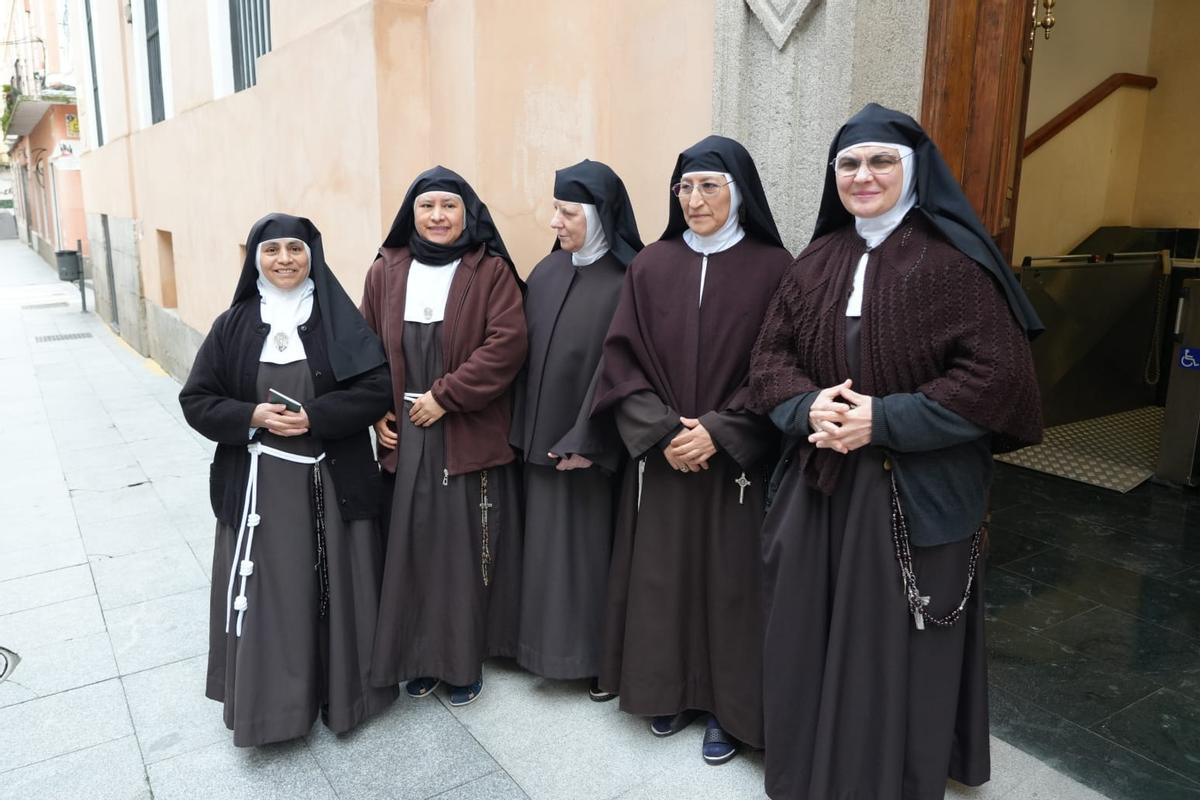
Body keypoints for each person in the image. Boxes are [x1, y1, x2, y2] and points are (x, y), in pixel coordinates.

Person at [749, 103, 1044, 799]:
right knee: (810, 632)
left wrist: (884, 419)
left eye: (882, 160)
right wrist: (807, 406)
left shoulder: (953, 262)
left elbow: (995, 377)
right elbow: (769, 359)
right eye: (849, 163)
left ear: (914, 170)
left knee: (895, 647)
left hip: (914, 494)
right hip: (822, 482)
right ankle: (813, 769)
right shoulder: (817, 260)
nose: (863, 175)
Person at [590, 136, 791, 764]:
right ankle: (666, 689)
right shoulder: (652, 264)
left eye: (710, 185)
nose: (695, 198)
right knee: (663, 577)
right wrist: (662, 432)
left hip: (736, 463)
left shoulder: (775, 267)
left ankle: (728, 712)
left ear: (740, 193)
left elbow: (782, 364)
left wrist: (723, 431)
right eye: (685, 187)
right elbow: (620, 360)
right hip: (666, 458)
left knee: (734, 585)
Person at [180, 213, 397, 747]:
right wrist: (251, 416)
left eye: (295, 249)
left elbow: (377, 388)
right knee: (273, 592)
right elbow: (196, 400)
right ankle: (272, 710)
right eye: (272, 249)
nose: (284, 259)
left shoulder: (337, 320)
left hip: (328, 481)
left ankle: (345, 695)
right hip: (258, 490)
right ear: (255, 258)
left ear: (311, 256)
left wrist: (316, 418)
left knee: (333, 587)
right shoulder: (231, 326)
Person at [363, 166, 527, 708]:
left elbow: (506, 347)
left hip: (462, 428)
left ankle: (461, 661)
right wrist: (377, 411)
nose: (438, 217)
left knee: (460, 550)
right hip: (406, 434)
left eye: (449, 207)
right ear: (412, 213)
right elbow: (363, 348)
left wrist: (445, 396)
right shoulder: (386, 269)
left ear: (467, 213)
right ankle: (417, 656)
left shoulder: (490, 271)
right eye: (427, 206)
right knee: (409, 546)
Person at [509, 159, 643, 698]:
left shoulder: (629, 279)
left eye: (567, 212)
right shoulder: (545, 272)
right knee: (542, 554)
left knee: (585, 557)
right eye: (556, 209)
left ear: (599, 214)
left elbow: (625, 368)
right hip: (537, 441)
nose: (554, 222)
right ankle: (537, 651)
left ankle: (589, 659)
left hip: (591, 450)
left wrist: (591, 440)